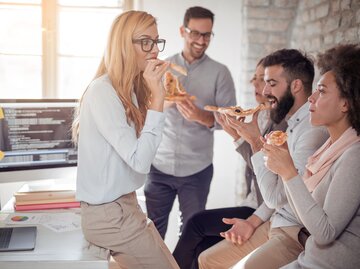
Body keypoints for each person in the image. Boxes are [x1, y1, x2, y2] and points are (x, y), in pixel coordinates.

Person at [198, 49, 329, 269]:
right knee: (207, 259)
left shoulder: (311, 131)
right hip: (274, 221)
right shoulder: (292, 123)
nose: (264, 91)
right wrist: (252, 222)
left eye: (271, 83)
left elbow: (277, 196)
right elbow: (278, 190)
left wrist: (255, 143)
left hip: (293, 231)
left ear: (295, 85)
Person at [73, 11, 179, 269]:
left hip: (126, 208)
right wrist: (158, 98)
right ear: (123, 44)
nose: (154, 50)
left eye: (156, 41)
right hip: (111, 216)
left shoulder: (129, 89)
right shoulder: (102, 91)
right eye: (145, 41)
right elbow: (140, 161)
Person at [172, 58, 286, 269]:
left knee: (195, 223)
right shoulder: (262, 117)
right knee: (201, 247)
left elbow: (267, 172)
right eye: (256, 78)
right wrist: (240, 137)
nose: (257, 85)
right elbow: (256, 166)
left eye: (266, 80)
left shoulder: (282, 125)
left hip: (262, 208)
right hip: (253, 203)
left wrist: (242, 139)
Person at [263, 44, 360, 269]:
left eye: (322, 91)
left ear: (346, 103)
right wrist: (283, 165)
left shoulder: (353, 156)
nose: (311, 99)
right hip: (309, 260)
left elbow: (325, 233)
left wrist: (288, 173)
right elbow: (303, 212)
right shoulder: (329, 146)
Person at [144, 6, 236, 239]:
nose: (201, 40)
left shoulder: (220, 73)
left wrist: (201, 116)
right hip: (158, 166)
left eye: (207, 35)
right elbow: (141, 111)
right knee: (151, 233)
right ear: (182, 31)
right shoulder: (160, 67)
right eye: (195, 33)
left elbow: (230, 120)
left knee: (192, 234)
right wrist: (165, 102)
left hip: (197, 170)